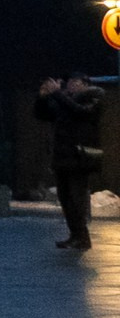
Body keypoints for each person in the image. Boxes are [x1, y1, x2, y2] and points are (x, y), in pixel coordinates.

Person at [36, 74, 103, 253]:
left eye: (76, 82)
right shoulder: (65, 101)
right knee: (65, 199)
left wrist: (58, 94)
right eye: (70, 82)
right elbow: (43, 114)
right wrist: (43, 97)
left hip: (79, 157)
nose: (72, 85)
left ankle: (82, 237)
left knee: (76, 198)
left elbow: (80, 112)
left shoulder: (94, 97)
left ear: (86, 85)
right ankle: (75, 235)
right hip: (61, 157)